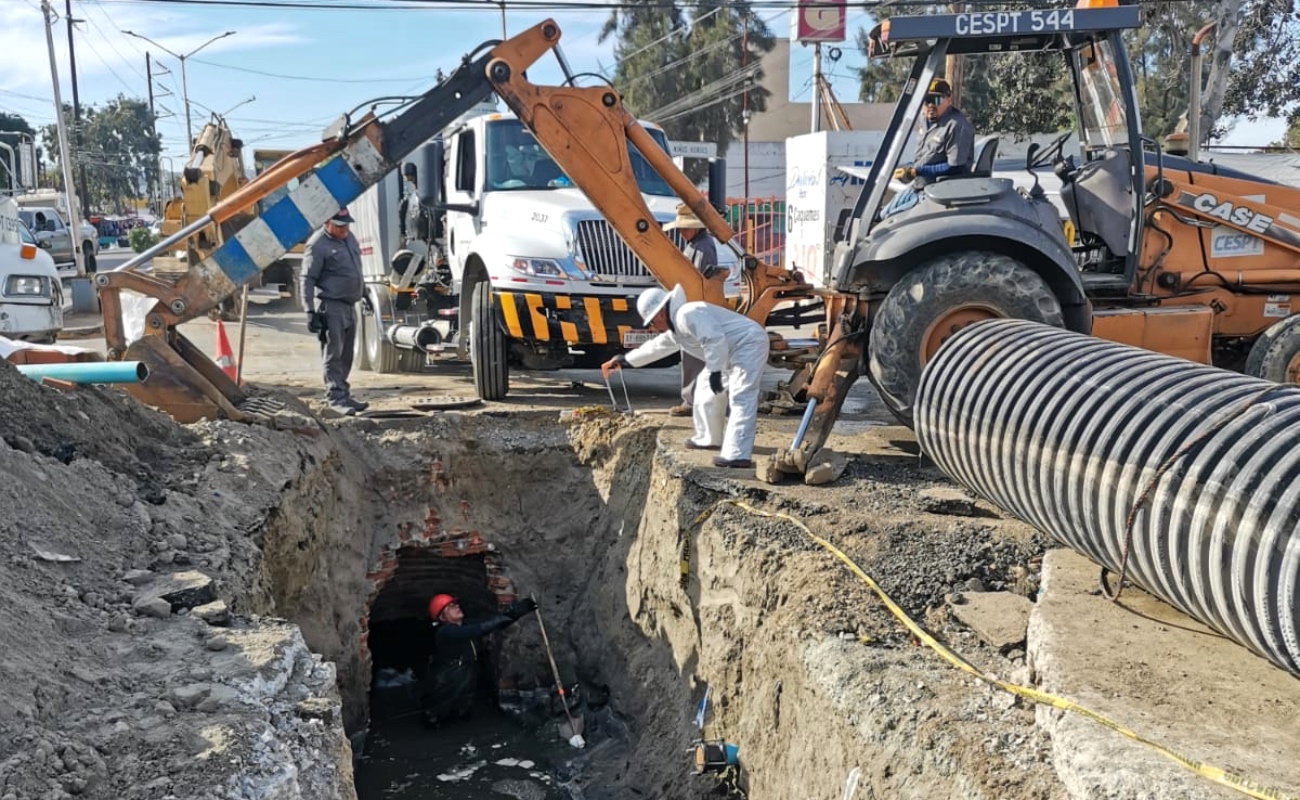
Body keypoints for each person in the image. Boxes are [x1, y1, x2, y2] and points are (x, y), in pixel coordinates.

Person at [601, 284, 769, 469]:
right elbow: (657, 347)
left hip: (748, 344)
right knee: (705, 390)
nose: (652, 326)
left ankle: (737, 454)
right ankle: (709, 438)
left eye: (651, 321)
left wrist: (715, 371)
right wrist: (626, 361)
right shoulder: (678, 328)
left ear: (660, 314)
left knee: (741, 396)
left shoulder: (688, 314)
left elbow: (713, 339)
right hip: (729, 352)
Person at [421, 593, 538, 726]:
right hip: (448, 675)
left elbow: (491, 622)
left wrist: (516, 612)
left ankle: (460, 725)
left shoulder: (463, 624)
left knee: (463, 706)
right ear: (442, 617)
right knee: (441, 707)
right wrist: (508, 616)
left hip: (465, 670)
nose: (457, 606)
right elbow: (478, 629)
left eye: (455, 604)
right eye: (450, 607)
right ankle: (434, 725)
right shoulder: (445, 632)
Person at [661, 204, 728, 418]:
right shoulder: (696, 245)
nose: (681, 232)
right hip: (694, 307)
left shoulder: (702, 248)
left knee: (694, 357)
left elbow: (697, 282)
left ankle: (693, 402)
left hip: (696, 307)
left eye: (684, 228)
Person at [301, 208, 368, 416]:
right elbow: (307, 278)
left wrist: (363, 293)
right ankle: (335, 397)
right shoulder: (318, 244)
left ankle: (343, 394)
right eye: (340, 227)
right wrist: (310, 311)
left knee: (347, 354)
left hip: (349, 305)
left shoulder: (349, 238)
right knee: (333, 355)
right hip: (332, 306)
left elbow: (356, 269)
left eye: (347, 225)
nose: (344, 230)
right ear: (327, 223)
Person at [881, 78, 976, 218]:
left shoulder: (957, 126)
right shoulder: (925, 121)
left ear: (948, 101)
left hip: (938, 194)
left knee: (890, 222)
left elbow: (956, 167)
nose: (931, 105)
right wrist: (910, 171)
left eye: (937, 100)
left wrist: (916, 171)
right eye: (927, 100)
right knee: (880, 215)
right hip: (919, 187)